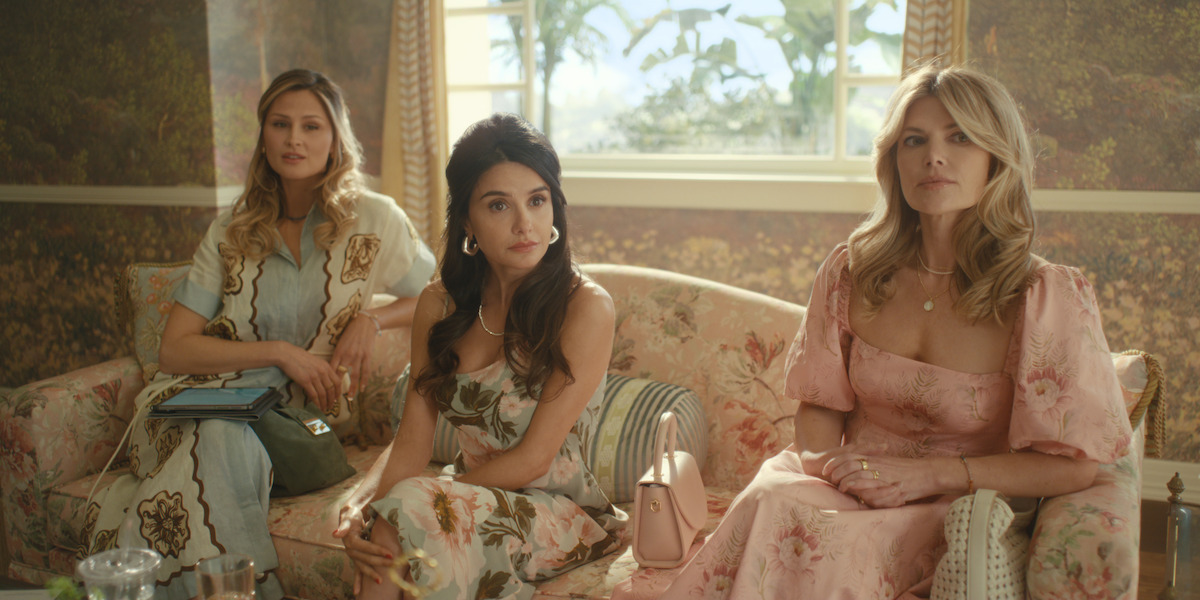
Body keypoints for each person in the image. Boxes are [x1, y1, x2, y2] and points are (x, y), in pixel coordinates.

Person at [635, 64, 1135, 599]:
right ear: (893, 161)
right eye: (913, 140)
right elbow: (821, 407)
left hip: (956, 504)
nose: (933, 157)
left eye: (959, 138)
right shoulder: (852, 272)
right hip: (847, 487)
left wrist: (932, 476)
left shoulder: (1043, 295)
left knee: (822, 531)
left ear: (997, 157)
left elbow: (1074, 469)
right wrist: (834, 471)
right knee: (776, 497)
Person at [80, 69, 436, 600]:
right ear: (263, 136)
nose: (295, 139)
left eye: (312, 126)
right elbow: (174, 349)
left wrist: (372, 319)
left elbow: (441, 293)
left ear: (335, 139)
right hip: (193, 404)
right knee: (220, 433)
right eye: (281, 124)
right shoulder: (232, 228)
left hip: (301, 423)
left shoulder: (375, 220)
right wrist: (281, 353)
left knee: (225, 439)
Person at [334, 113, 627, 599]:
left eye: (537, 200)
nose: (524, 224)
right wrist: (361, 504)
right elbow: (412, 444)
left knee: (410, 515)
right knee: (397, 524)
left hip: (558, 512)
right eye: (498, 205)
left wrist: (424, 500)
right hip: (464, 494)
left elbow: (534, 460)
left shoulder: (585, 307)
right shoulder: (439, 304)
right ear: (467, 219)